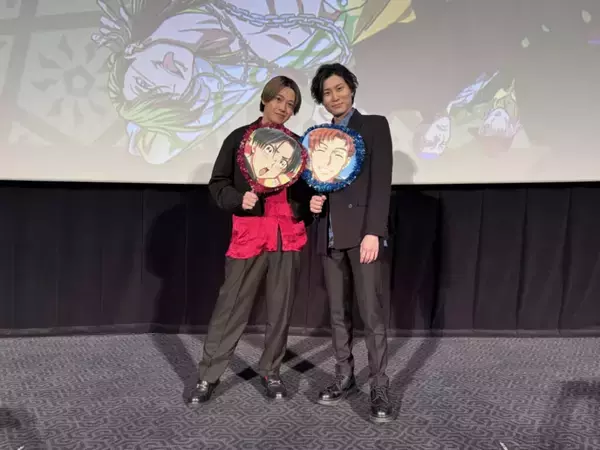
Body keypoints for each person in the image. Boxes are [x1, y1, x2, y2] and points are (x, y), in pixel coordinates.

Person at [187, 75, 312, 405]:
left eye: (290, 104)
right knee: (230, 308)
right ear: (265, 99)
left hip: (287, 236)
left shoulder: (298, 147)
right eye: (278, 99)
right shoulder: (239, 139)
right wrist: (237, 199)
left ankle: (271, 371)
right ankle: (208, 375)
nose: (283, 107)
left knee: (281, 310)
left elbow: (306, 195)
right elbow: (218, 183)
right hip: (251, 234)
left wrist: (308, 208)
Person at [308, 63, 394, 423]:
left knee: (371, 313)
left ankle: (379, 385)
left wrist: (374, 231)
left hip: (362, 235)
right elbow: (319, 183)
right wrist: (314, 201)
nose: (335, 97)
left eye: (339, 89)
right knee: (338, 313)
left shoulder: (374, 125)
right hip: (330, 234)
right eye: (327, 93)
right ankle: (344, 376)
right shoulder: (318, 136)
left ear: (352, 89)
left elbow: (381, 181)